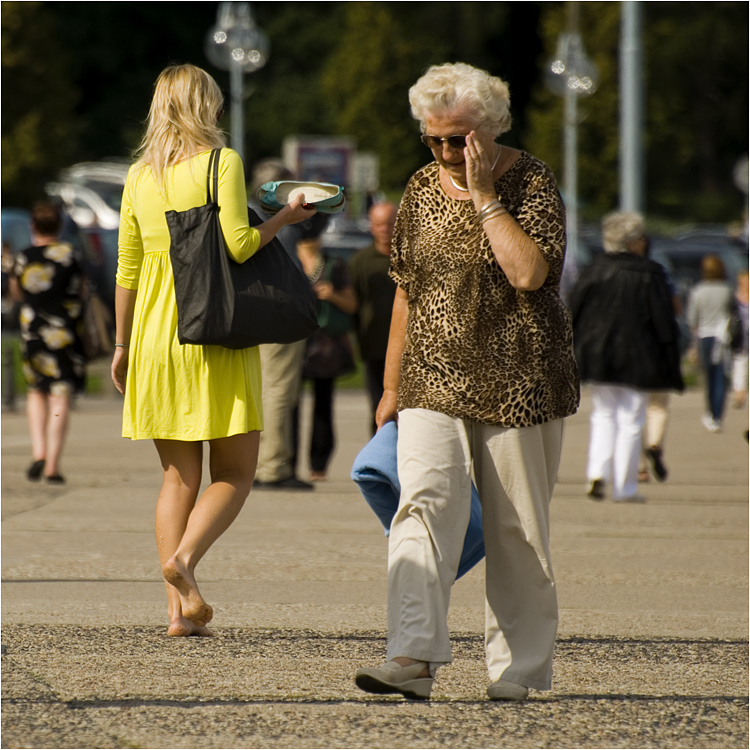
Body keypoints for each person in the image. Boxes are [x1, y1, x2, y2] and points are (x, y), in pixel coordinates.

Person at [354, 62, 579, 702]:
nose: (449, 153)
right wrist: (392, 386)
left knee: (517, 530)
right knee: (422, 507)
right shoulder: (420, 187)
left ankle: (518, 669)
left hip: (521, 381)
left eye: (461, 139)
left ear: (492, 128)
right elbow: (406, 288)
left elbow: (531, 273)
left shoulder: (531, 181)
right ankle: (411, 656)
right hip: (432, 378)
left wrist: (485, 197)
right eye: (436, 139)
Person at [111, 64, 315, 637]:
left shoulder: (136, 177)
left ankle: (179, 614)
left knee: (178, 477)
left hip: (154, 335)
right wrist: (287, 216)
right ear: (208, 107)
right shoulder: (220, 163)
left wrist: (122, 345)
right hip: (213, 331)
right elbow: (240, 245)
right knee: (236, 470)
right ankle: (184, 562)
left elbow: (127, 269)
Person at [570, 212, 684, 503]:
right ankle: (625, 487)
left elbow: (573, 310)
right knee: (631, 419)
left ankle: (597, 474)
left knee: (603, 414)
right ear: (634, 241)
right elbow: (664, 322)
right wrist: (670, 356)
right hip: (639, 356)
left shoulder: (594, 269)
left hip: (597, 353)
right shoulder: (651, 273)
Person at [9, 201, 86, 484]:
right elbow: (81, 289)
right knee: (59, 393)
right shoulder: (70, 255)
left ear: (33, 226)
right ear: (60, 226)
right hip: (63, 332)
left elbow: (16, 293)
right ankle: (53, 464)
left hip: (32, 332)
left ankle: (38, 451)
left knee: (36, 390)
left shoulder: (23, 256)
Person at [249, 159, 313, 491]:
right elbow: (296, 268)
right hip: (282, 312)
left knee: (261, 388)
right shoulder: (284, 222)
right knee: (279, 391)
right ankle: (274, 466)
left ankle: (260, 463)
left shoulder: (244, 214)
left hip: (253, 312)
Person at [294, 216, 358, 480]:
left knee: (323, 406)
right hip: (293, 343)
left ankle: (318, 465)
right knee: (286, 406)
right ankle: (285, 463)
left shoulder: (334, 263)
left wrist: (332, 294)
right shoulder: (288, 259)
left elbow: (352, 305)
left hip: (324, 345)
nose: (311, 235)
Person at [348, 202, 398, 435]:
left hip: (410, 350)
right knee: (378, 407)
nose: (384, 229)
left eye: (389, 223)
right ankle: (378, 459)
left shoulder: (412, 256)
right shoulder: (361, 261)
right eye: (378, 224)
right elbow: (352, 304)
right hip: (374, 347)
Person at [686, 255, 734, 432]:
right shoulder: (727, 290)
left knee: (709, 377)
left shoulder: (698, 291)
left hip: (705, 336)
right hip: (723, 337)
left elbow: (692, 320)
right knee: (721, 377)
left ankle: (710, 413)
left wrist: (693, 346)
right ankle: (718, 416)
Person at [731, 270, 749, 408]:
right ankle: (740, 394)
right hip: (741, 337)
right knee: (740, 365)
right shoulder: (735, 299)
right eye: (744, 281)